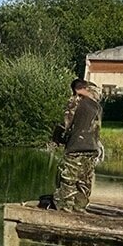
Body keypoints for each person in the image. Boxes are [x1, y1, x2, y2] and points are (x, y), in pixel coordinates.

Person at [49, 78, 102, 212]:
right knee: (84, 182)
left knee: (68, 180)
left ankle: (64, 208)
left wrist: (56, 138)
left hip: (75, 148)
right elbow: (96, 129)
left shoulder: (76, 101)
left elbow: (65, 124)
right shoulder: (96, 106)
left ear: (75, 90)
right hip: (92, 149)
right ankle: (80, 208)